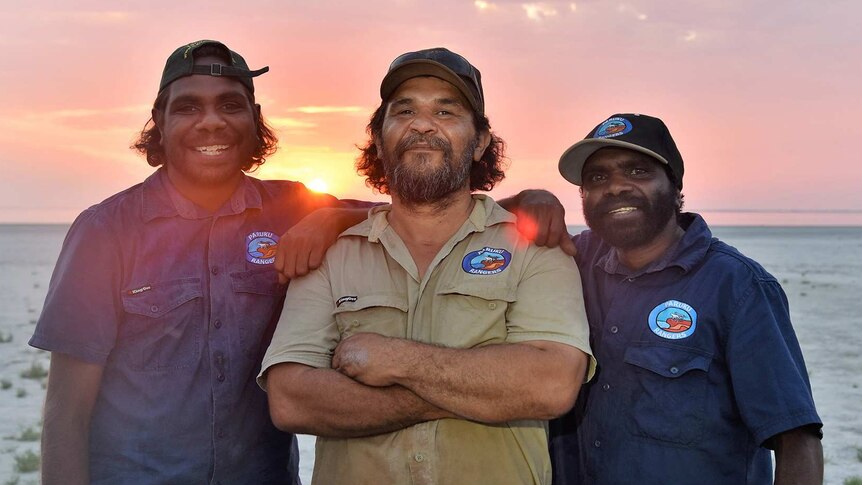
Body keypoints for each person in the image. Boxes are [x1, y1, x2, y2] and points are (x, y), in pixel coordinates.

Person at [29, 40, 370, 484]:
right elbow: (66, 411)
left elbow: (419, 217)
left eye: (230, 105)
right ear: (161, 123)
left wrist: (333, 218)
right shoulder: (104, 231)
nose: (211, 122)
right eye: (188, 107)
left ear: (254, 119)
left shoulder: (293, 208)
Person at [257, 47, 595, 485]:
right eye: (404, 111)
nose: (422, 124)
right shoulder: (331, 254)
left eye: (446, 111)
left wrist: (396, 361)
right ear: (379, 141)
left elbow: (550, 385)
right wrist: (481, 393)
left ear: (479, 144)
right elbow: (291, 400)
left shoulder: (535, 246)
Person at [551, 113, 824, 484]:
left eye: (638, 171)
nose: (616, 187)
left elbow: (797, 439)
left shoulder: (736, 285)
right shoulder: (570, 263)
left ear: (675, 186)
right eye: (597, 178)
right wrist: (528, 200)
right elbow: (481, 232)